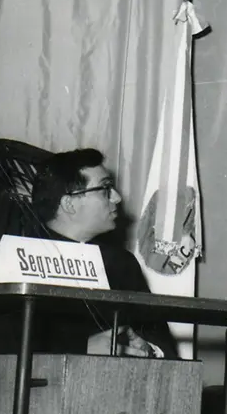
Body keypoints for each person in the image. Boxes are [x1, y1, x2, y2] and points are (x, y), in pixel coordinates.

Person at [27, 148, 176, 358]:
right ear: (69, 204)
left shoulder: (121, 263)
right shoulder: (23, 258)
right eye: (105, 188)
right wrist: (81, 347)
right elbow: (4, 342)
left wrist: (148, 348)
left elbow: (160, 339)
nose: (117, 197)